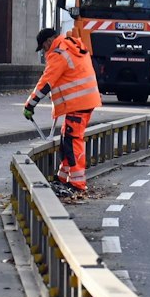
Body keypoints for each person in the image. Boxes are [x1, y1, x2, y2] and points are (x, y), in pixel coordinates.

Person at [22, 27, 101, 194]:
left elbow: (46, 82)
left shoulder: (59, 53)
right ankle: (63, 177)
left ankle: (77, 184)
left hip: (78, 103)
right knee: (67, 138)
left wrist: (30, 104)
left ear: (49, 42)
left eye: (43, 47)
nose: (44, 52)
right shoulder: (72, 46)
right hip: (85, 101)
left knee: (72, 141)